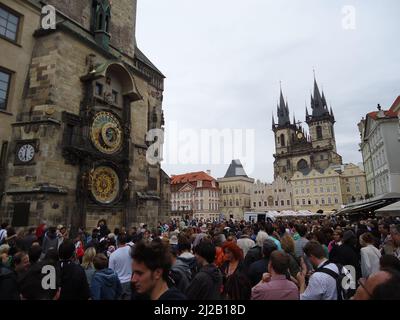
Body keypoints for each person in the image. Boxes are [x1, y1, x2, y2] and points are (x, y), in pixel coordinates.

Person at [109, 234, 132, 300]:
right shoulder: (131, 251)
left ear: (117, 241)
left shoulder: (113, 255)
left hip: (118, 282)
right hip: (129, 281)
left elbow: (111, 271)